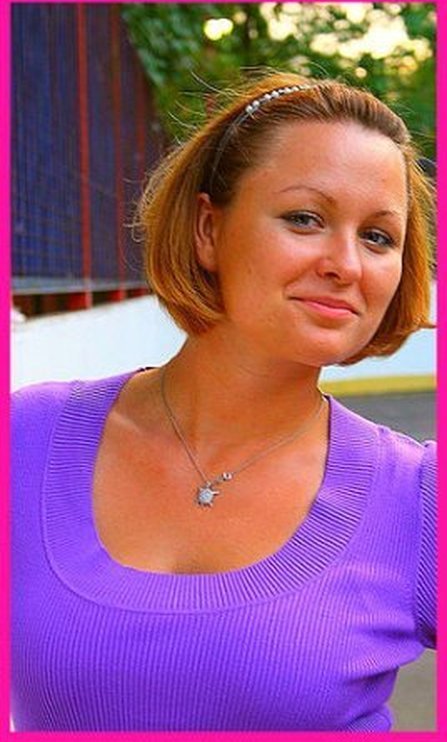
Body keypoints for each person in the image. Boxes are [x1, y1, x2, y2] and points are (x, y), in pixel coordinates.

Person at [11, 71, 436, 732]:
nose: (346, 264)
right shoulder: (25, 439)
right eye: (305, 218)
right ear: (208, 229)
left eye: (378, 237)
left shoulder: (418, 496)